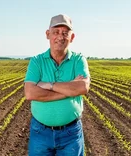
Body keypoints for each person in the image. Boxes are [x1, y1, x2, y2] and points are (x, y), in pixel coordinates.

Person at [24, 14, 90, 156]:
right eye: (56, 32)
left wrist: (49, 85)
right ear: (48, 35)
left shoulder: (79, 60)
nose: (60, 36)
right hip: (40, 132)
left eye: (65, 33)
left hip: (71, 133)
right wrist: (70, 89)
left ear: (72, 37)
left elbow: (83, 88)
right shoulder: (37, 61)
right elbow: (30, 93)